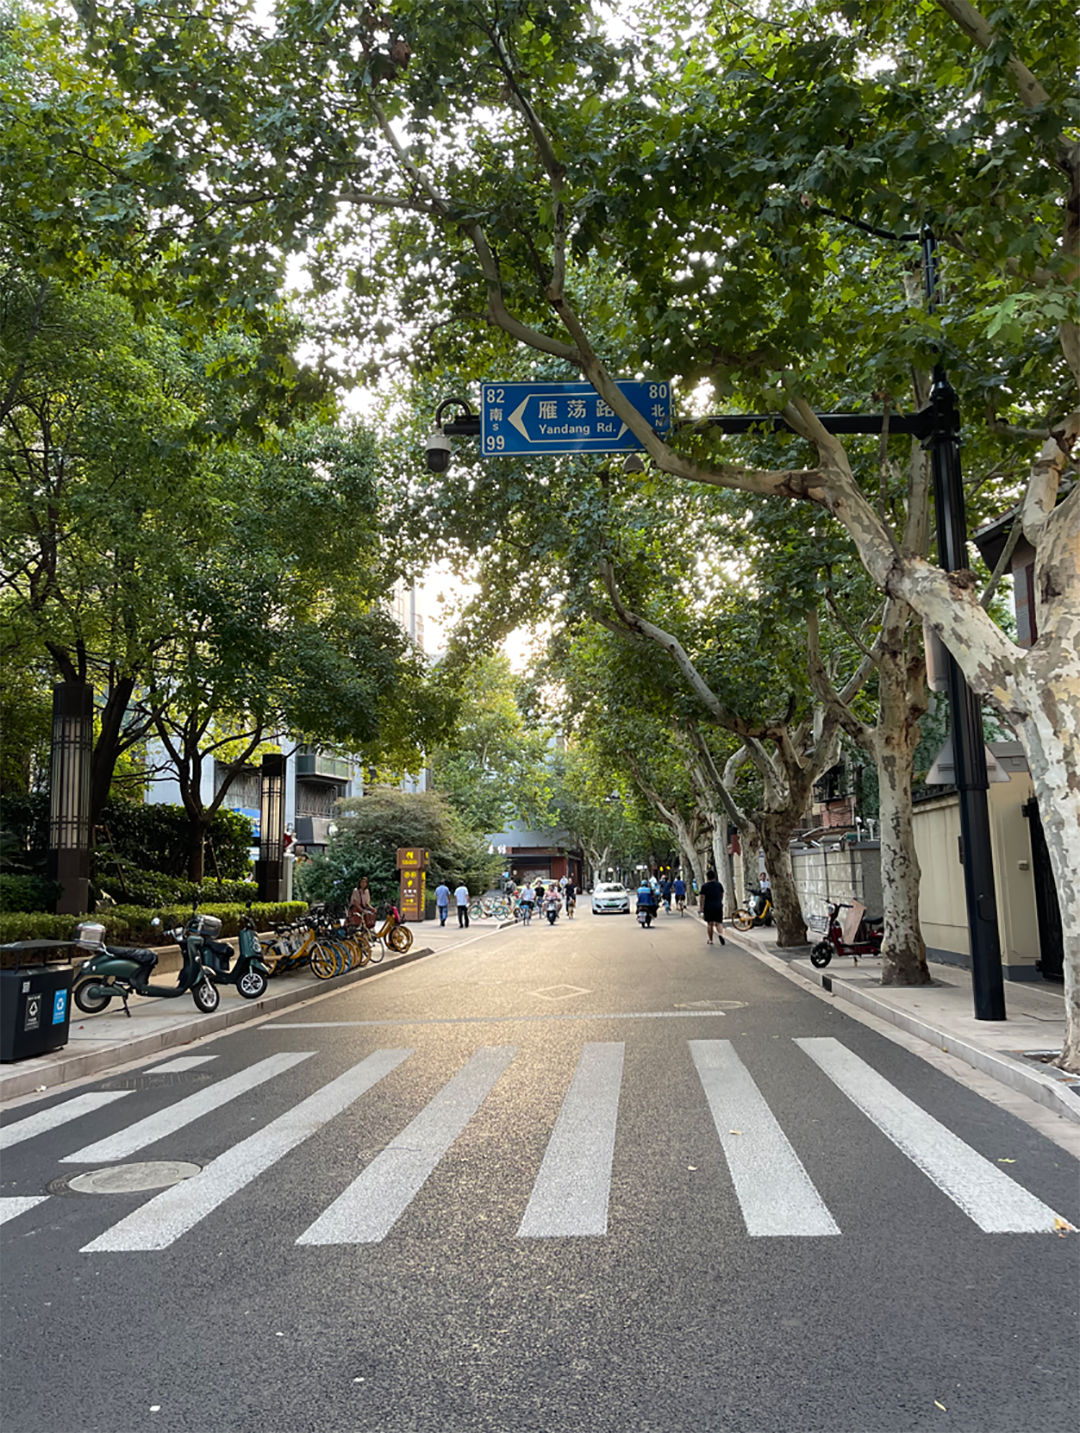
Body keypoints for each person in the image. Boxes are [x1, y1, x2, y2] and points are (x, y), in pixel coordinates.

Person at [700, 868, 726, 946]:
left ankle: (711, 940)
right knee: (719, 922)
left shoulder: (704, 886)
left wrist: (701, 906)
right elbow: (722, 894)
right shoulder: (719, 885)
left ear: (707, 877)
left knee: (710, 923)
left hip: (708, 906)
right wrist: (719, 901)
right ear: (714, 876)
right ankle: (721, 934)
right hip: (718, 906)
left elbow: (701, 897)